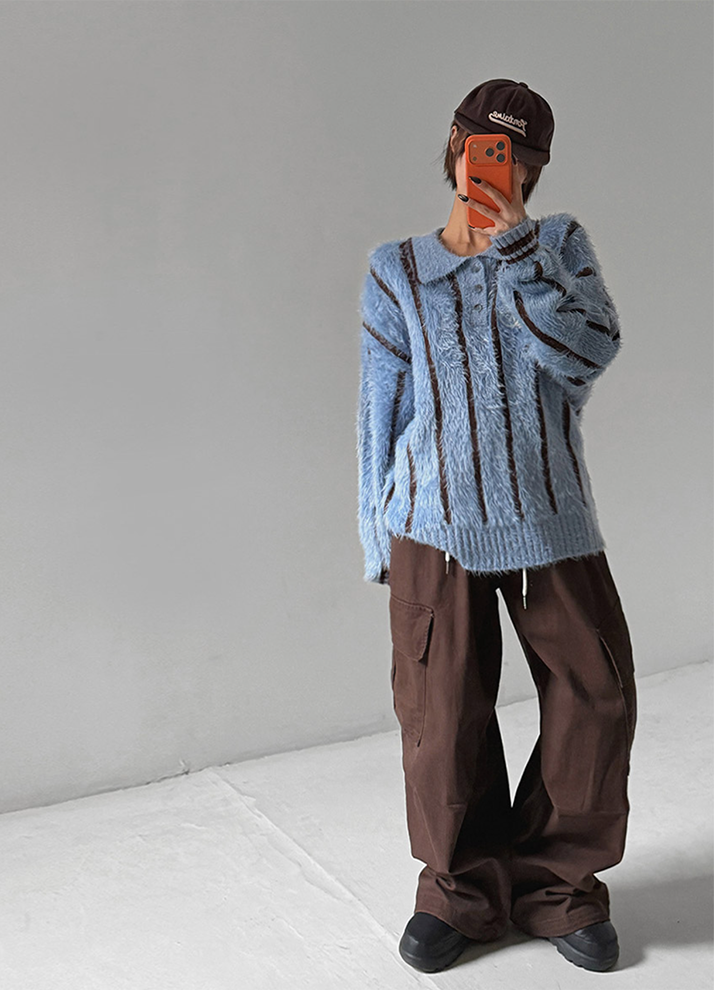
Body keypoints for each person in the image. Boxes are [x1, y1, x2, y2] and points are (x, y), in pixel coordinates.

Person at [356, 79, 636, 974]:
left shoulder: (558, 247)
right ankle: (460, 890)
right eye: (487, 147)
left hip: (551, 519)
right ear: (456, 141)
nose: (499, 166)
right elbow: (380, 414)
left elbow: (589, 353)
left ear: (535, 168)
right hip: (431, 526)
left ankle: (558, 886)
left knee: (596, 699)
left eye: (518, 157)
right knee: (441, 718)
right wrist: (376, 537)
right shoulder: (397, 271)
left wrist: (517, 251)